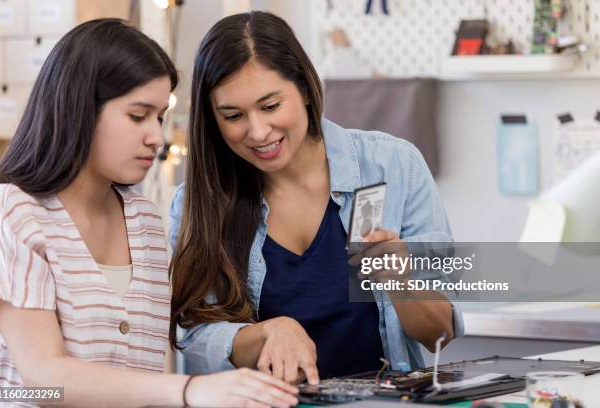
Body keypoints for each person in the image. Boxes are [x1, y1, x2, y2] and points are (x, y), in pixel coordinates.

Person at [0, 18, 298, 408]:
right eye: (138, 116)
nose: (156, 137)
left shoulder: (144, 220)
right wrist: (188, 390)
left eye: (160, 117)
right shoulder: (13, 211)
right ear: (78, 107)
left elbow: (154, 364)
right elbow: (43, 381)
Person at [169, 10, 464, 385]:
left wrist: (401, 281)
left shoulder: (393, 166)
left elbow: (440, 334)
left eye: (271, 106)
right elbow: (194, 336)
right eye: (233, 115)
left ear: (305, 89)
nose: (258, 131)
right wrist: (267, 333)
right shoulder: (198, 202)